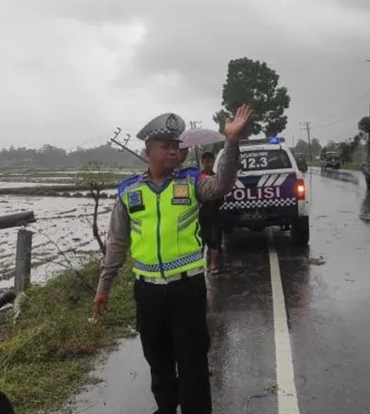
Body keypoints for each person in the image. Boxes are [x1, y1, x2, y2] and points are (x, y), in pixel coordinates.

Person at [93, 105, 252, 414]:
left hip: (187, 290)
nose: (172, 152)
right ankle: (166, 408)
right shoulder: (129, 192)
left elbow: (223, 184)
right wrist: (103, 288)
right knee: (158, 359)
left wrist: (231, 142)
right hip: (148, 293)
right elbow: (116, 244)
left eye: (176, 147)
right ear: (148, 152)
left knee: (192, 361)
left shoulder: (192, 182)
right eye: (165, 147)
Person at [198, 151, 222, 274]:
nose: (209, 164)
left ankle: (213, 264)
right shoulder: (197, 178)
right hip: (199, 216)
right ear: (202, 163)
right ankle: (199, 266)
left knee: (214, 240)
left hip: (213, 214)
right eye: (206, 162)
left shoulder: (216, 178)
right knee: (199, 242)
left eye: (211, 162)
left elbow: (221, 198)